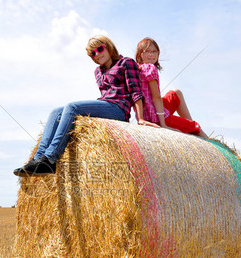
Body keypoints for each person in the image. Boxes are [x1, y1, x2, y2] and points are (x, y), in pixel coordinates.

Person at [13, 35, 145, 176]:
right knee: (56, 112)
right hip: (104, 104)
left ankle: (50, 159)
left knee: (72, 107)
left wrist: (140, 119)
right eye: (93, 53)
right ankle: (37, 159)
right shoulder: (98, 72)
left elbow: (135, 91)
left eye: (100, 49)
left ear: (108, 46)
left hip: (118, 108)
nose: (97, 54)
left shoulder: (126, 63)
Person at [134, 37, 208, 138]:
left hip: (148, 113)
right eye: (147, 51)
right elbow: (156, 97)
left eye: (154, 51)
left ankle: (189, 126)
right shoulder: (150, 68)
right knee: (195, 126)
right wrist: (163, 124)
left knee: (175, 93)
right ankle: (201, 136)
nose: (151, 54)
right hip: (156, 117)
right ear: (140, 54)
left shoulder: (137, 69)